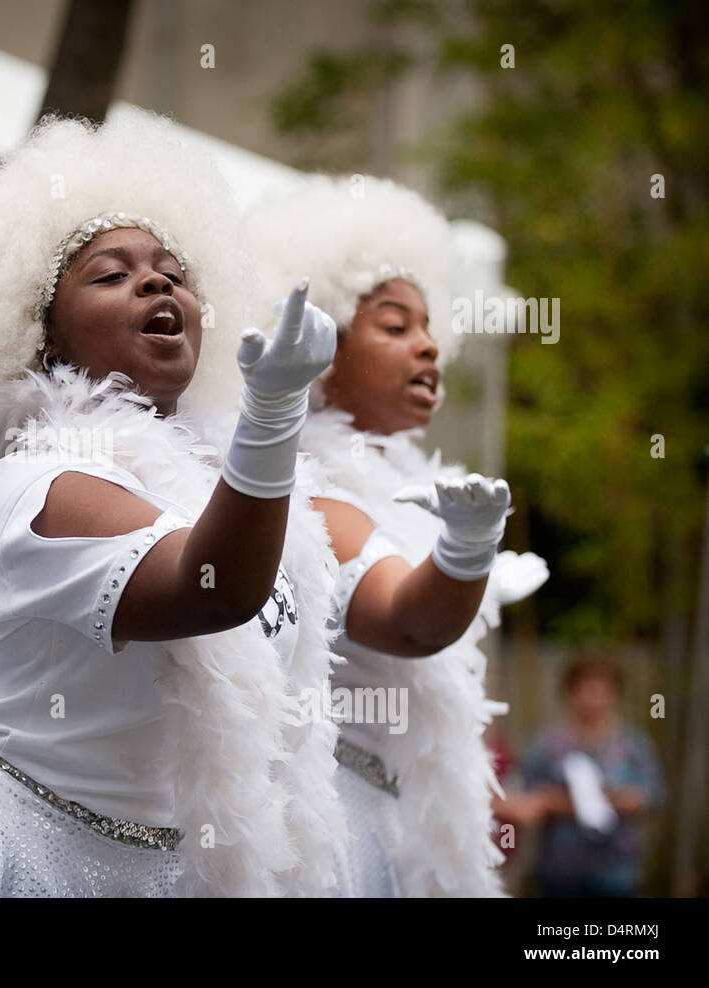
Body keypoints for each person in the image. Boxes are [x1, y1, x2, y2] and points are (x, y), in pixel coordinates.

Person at [0, 110, 349, 898]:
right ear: (42, 337)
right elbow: (214, 590)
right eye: (110, 273)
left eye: (173, 270)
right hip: (5, 849)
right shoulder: (46, 482)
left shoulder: (229, 477)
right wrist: (273, 418)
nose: (158, 281)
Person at [245, 174, 549, 896]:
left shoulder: (406, 475)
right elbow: (407, 624)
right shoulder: (312, 484)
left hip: (402, 812)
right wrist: (465, 552)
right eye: (394, 325)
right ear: (322, 342)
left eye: (429, 328)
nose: (429, 349)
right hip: (342, 829)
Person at [522, 656, 663, 897]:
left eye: (601, 691)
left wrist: (589, 800)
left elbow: (651, 796)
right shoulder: (548, 744)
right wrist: (582, 803)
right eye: (586, 691)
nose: (594, 700)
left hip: (616, 869)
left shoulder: (633, 744)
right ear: (570, 693)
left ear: (614, 695)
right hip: (560, 868)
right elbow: (528, 800)